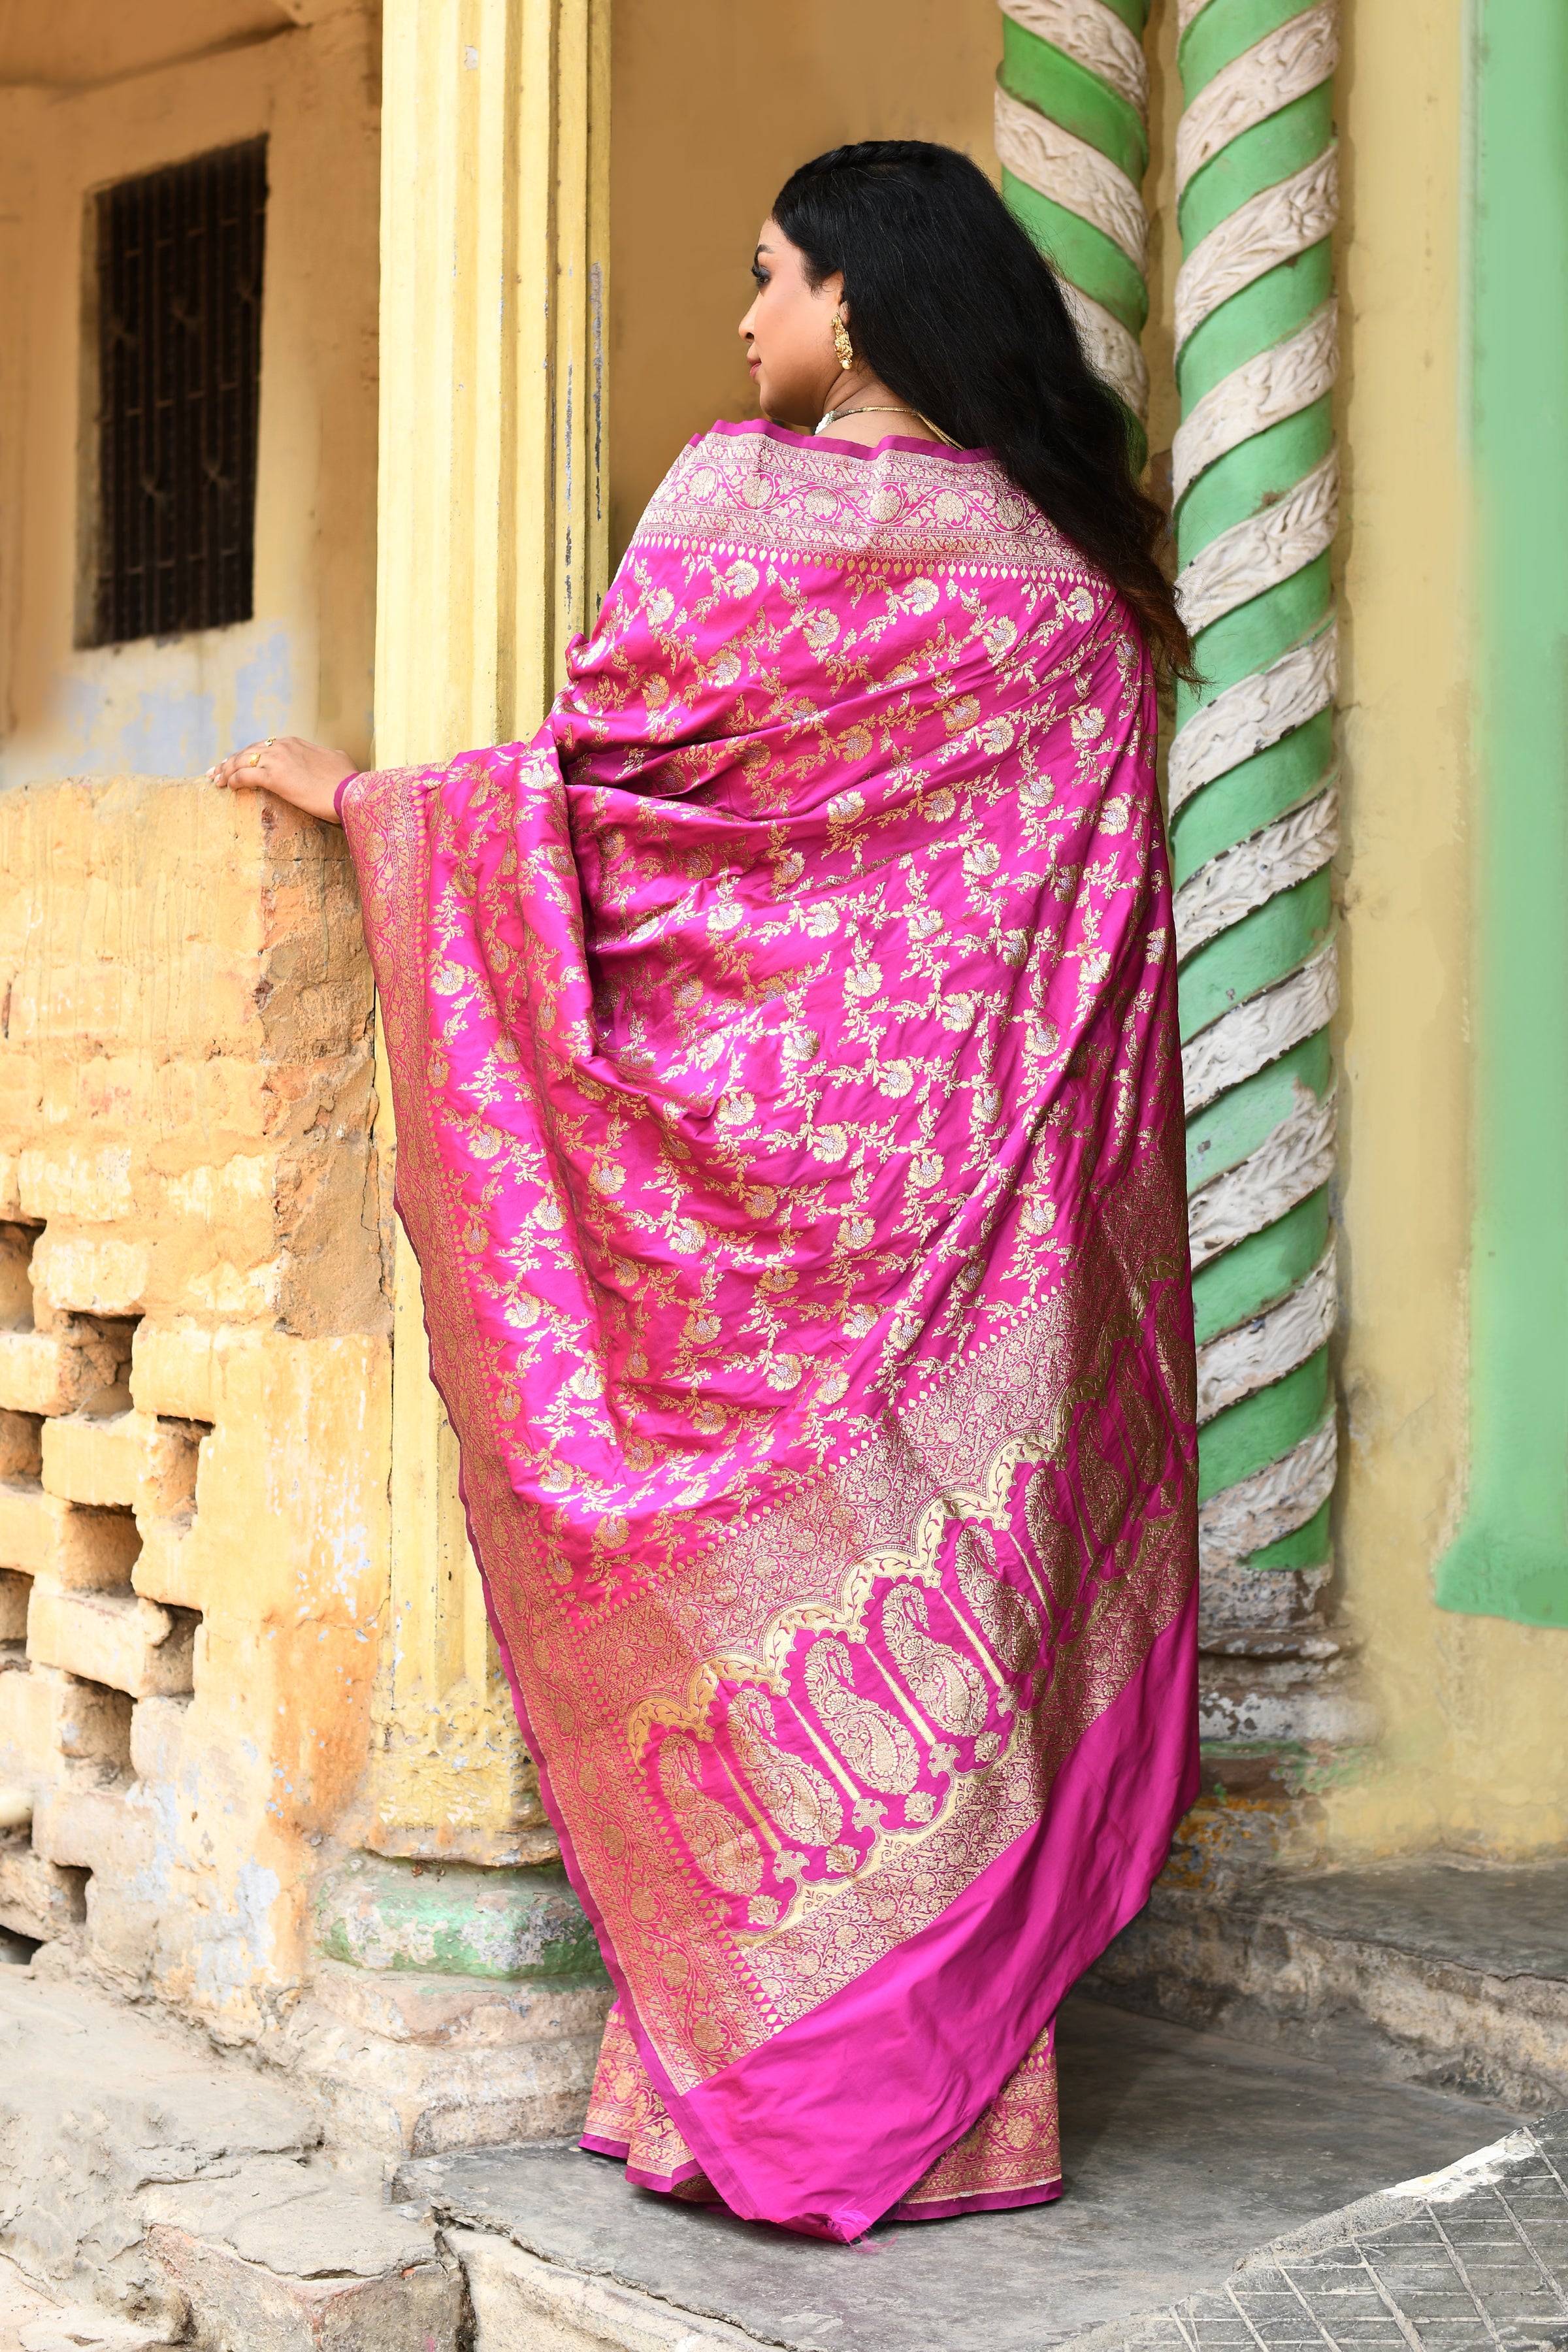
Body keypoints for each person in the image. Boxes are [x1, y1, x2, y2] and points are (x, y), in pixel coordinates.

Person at [212, 139, 1200, 2243]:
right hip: (981, 1235)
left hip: (769, 1236)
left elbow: (605, 817)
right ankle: (961, 2126)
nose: (745, 321)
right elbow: (1081, 947)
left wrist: (372, 804)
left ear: (856, 297)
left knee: (761, 1670)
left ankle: (728, 2106)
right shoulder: (1069, 592)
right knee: (940, 1667)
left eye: (769, 276)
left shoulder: (745, 508)